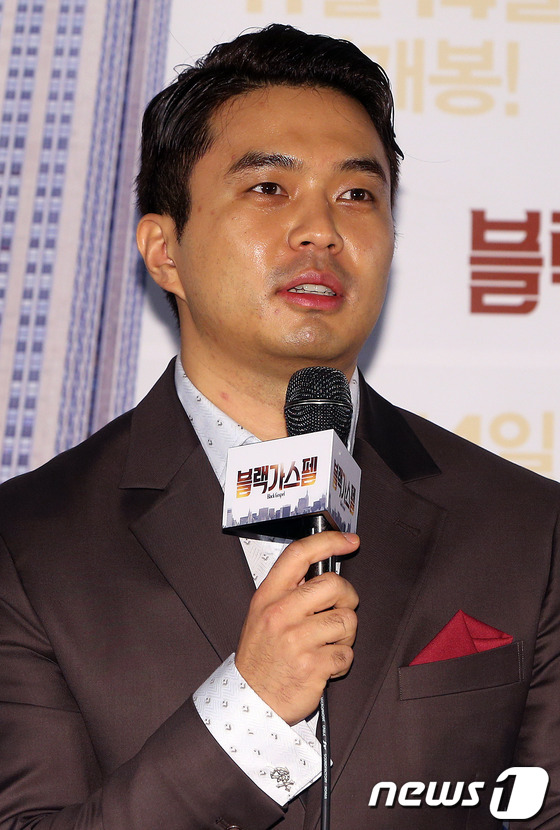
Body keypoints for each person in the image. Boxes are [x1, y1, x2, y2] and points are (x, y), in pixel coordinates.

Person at [0, 23, 558, 830]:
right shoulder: (28, 543)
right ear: (164, 251)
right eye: (269, 188)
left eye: (356, 195)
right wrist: (249, 712)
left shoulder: (527, 528)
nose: (321, 229)